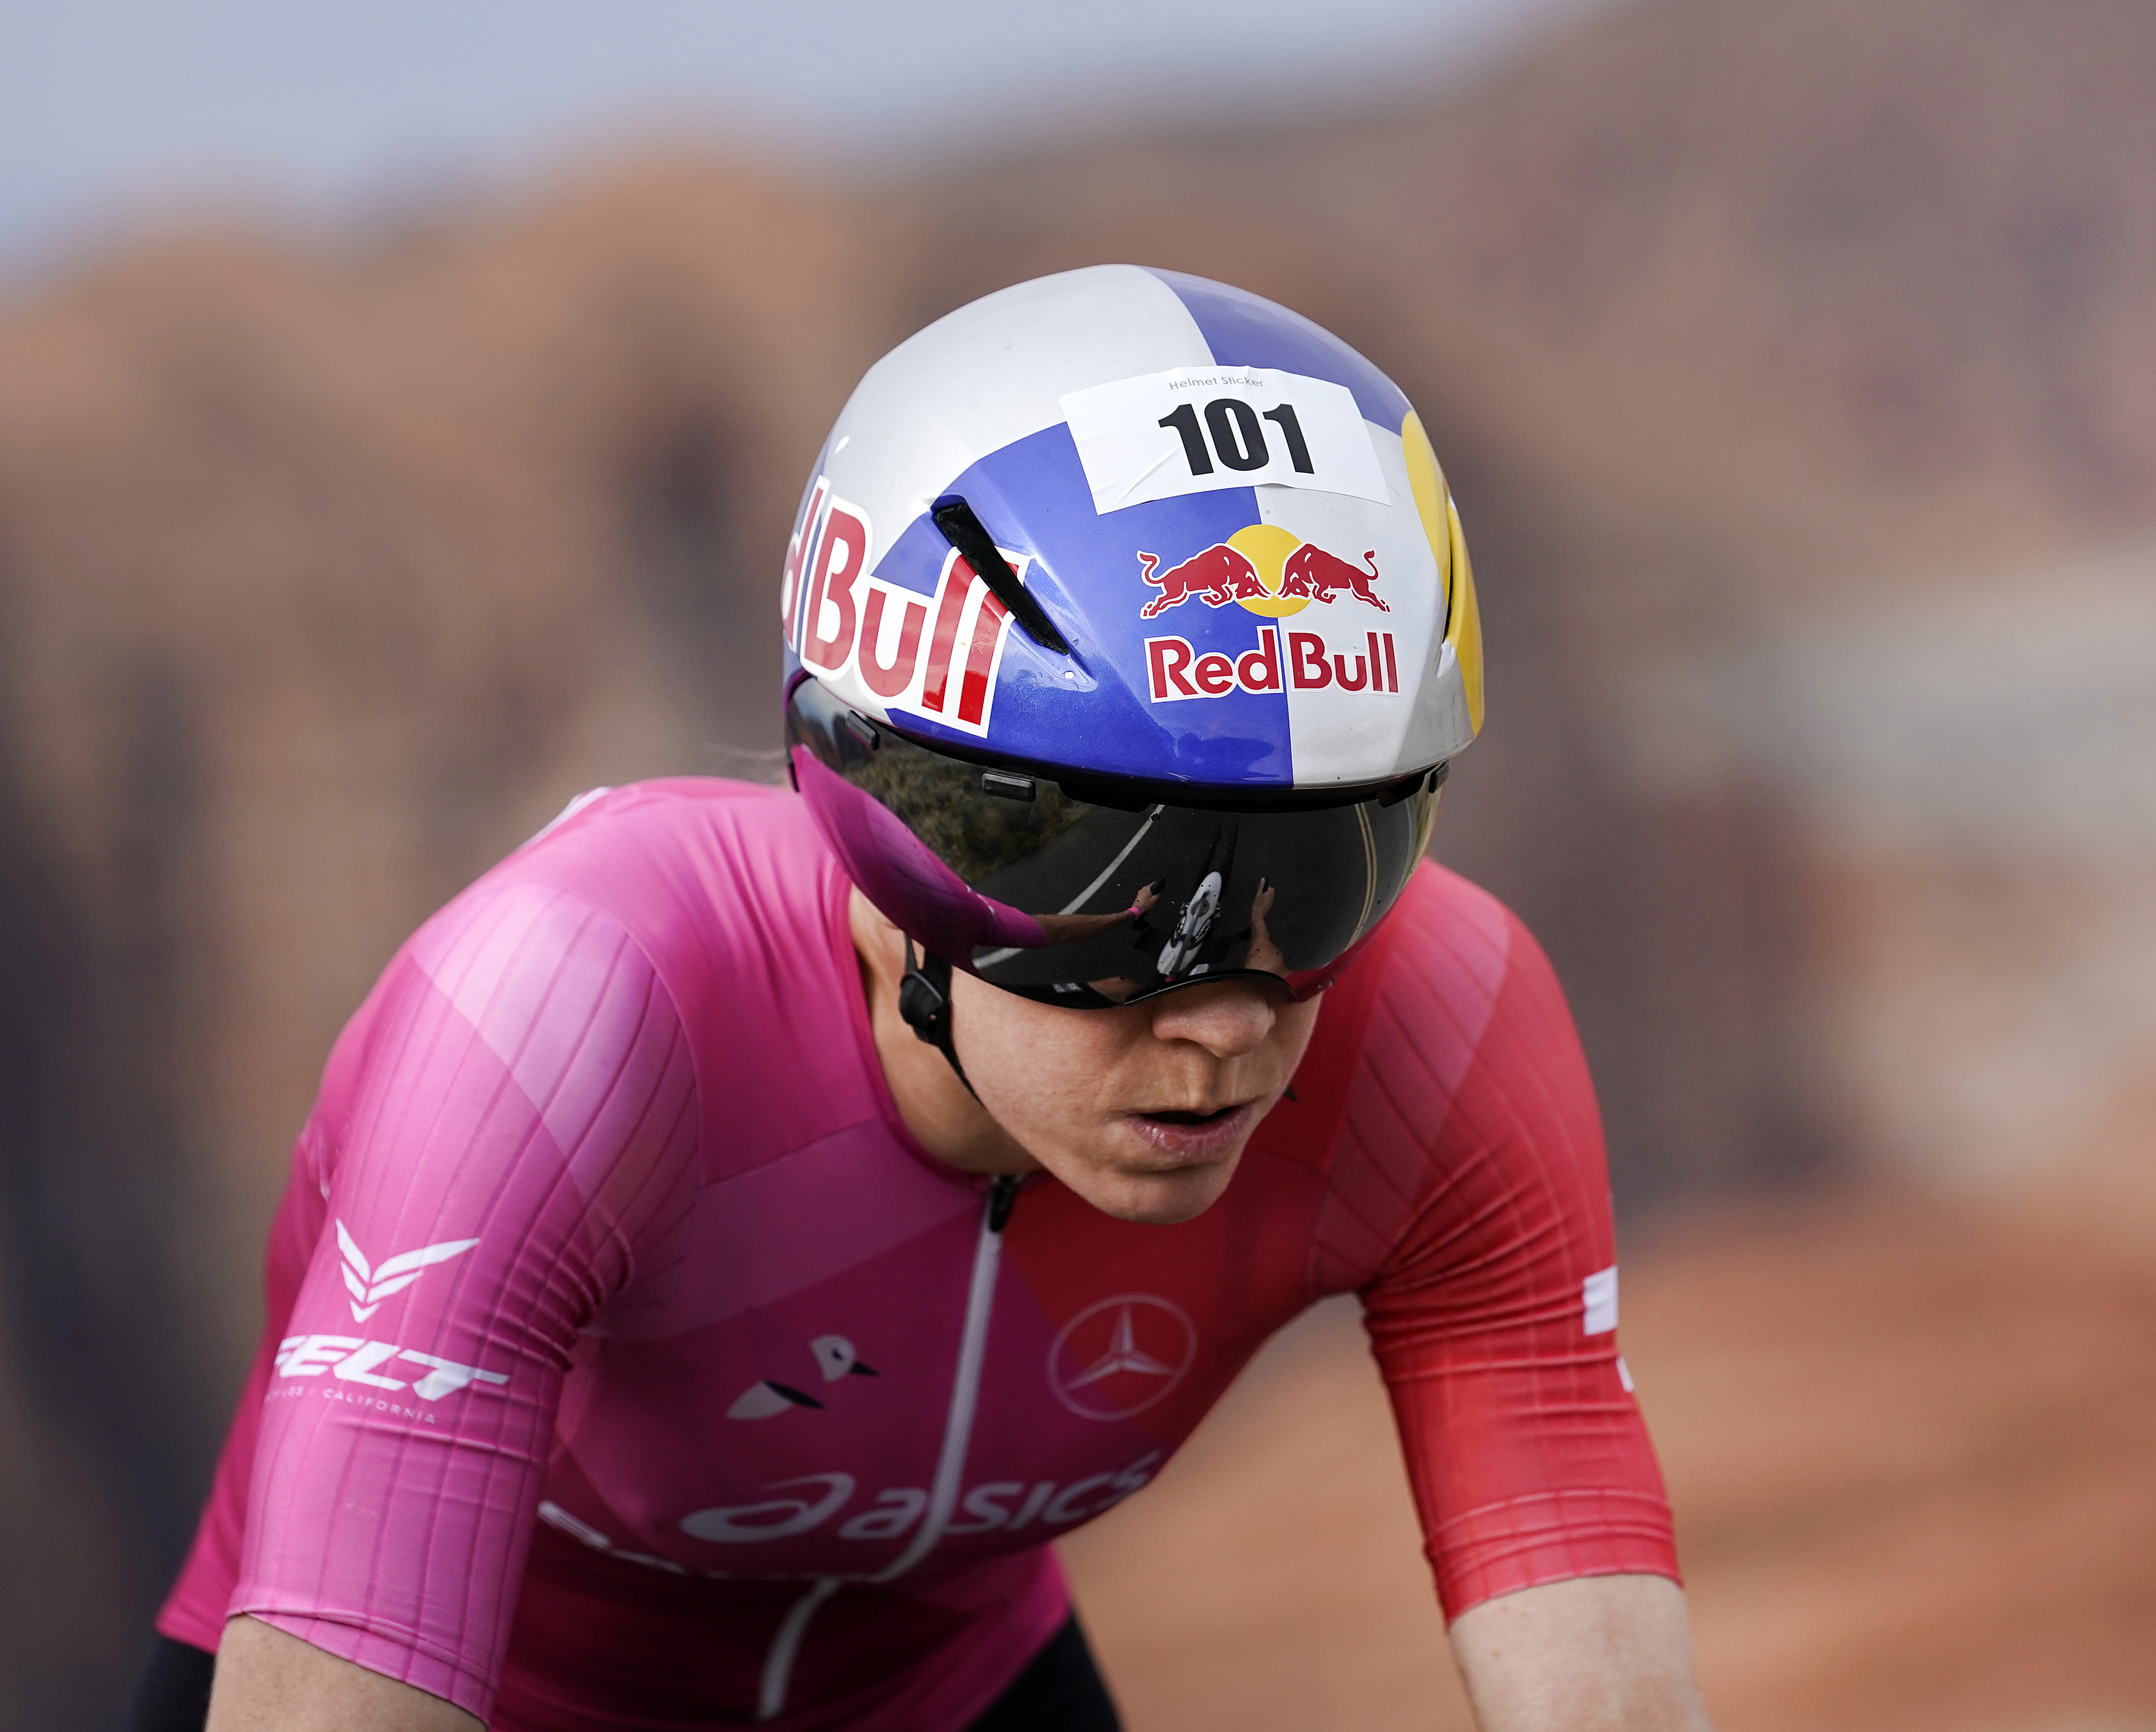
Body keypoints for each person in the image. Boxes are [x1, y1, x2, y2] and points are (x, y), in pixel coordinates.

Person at [134, 266, 1714, 1732]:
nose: (1228, 1018)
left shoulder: (1447, 1020)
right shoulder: (561, 1014)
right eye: (1113, 889)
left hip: (942, 1682)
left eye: (1327, 876)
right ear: (893, 821)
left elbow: (1576, 1598)